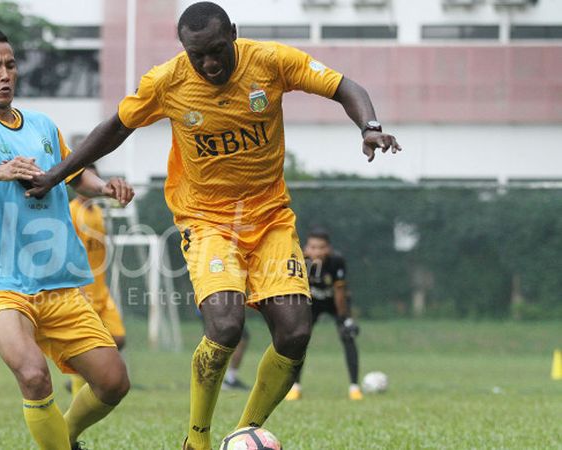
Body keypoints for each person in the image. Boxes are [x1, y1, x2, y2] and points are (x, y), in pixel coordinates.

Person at [25, 3, 401, 448]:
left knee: (296, 331)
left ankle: (245, 430)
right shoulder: (167, 82)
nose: (209, 63)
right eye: (197, 54)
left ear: (234, 35)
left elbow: (344, 86)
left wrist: (369, 125)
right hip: (206, 220)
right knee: (224, 324)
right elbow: (115, 128)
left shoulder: (272, 61)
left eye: (218, 51)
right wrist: (59, 173)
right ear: (184, 50)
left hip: (270, 218)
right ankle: (197, 440)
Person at [0, 28, 133, 450]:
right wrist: (1, 170)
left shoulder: (42, 125)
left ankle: (66, 435)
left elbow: (75, 174)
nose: (5, 74)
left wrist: (105, 187)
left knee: (113, 382)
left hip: (57, 282)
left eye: (10, 65)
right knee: (33, 374)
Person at [67, 164, 127, 395]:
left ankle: (88, 377)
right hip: (82, 288)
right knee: (84, 345)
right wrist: (75, 285)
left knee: (118, 338)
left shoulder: (98, 212)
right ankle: (78, 390)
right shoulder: (71, 211)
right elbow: (66, 251)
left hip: (101, 288)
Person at [285, 229, 362, 401]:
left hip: (335, 302)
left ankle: (354, 388)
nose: (317, 251)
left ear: (329, 249)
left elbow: (340, 292)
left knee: (348, 336)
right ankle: (295, 387)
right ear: (306, 248)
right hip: (312, 303)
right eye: (313, 247)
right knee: (299, 340)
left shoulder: (336, 262)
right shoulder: (299, 260)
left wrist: (345, 319)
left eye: (321, 247)